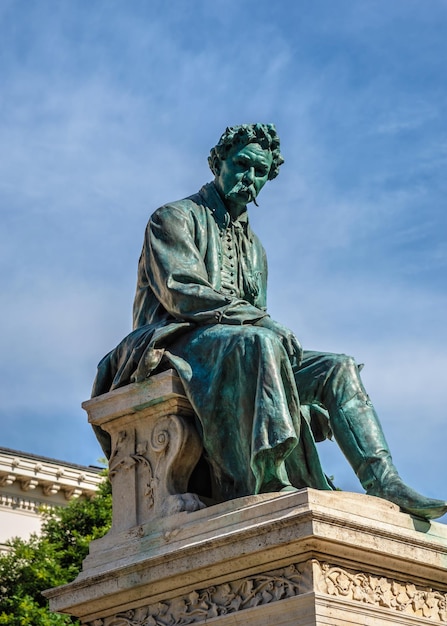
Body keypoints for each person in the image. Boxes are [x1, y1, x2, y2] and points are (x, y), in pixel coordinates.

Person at [92, 123, 447, 519]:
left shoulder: (255, 250)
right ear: (217, 163)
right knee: (260, 343)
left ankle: (384, 480)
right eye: (241, 164)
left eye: (259, 171)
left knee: (338, 368)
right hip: (172, 340)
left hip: (237, 344)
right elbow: (181, 291)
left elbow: (255, 318)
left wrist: (267, 336)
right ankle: (268, 477)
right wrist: (260, 321)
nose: (249, 177)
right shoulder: (173, 217)